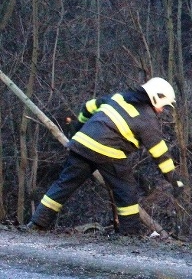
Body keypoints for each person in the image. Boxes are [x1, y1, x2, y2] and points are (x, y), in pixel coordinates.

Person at [27, 77, 183, 235]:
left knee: (64, 184)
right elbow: (160, 154)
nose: (163, 110)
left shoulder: (119, 97)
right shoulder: (148, 119)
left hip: (82, 144)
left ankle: (37, 223)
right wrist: (174, 180)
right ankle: (129, 235)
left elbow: (88, 106)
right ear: (156, 97)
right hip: (109, 153)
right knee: (126, 192)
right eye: (164, 106)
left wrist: (79, 129)